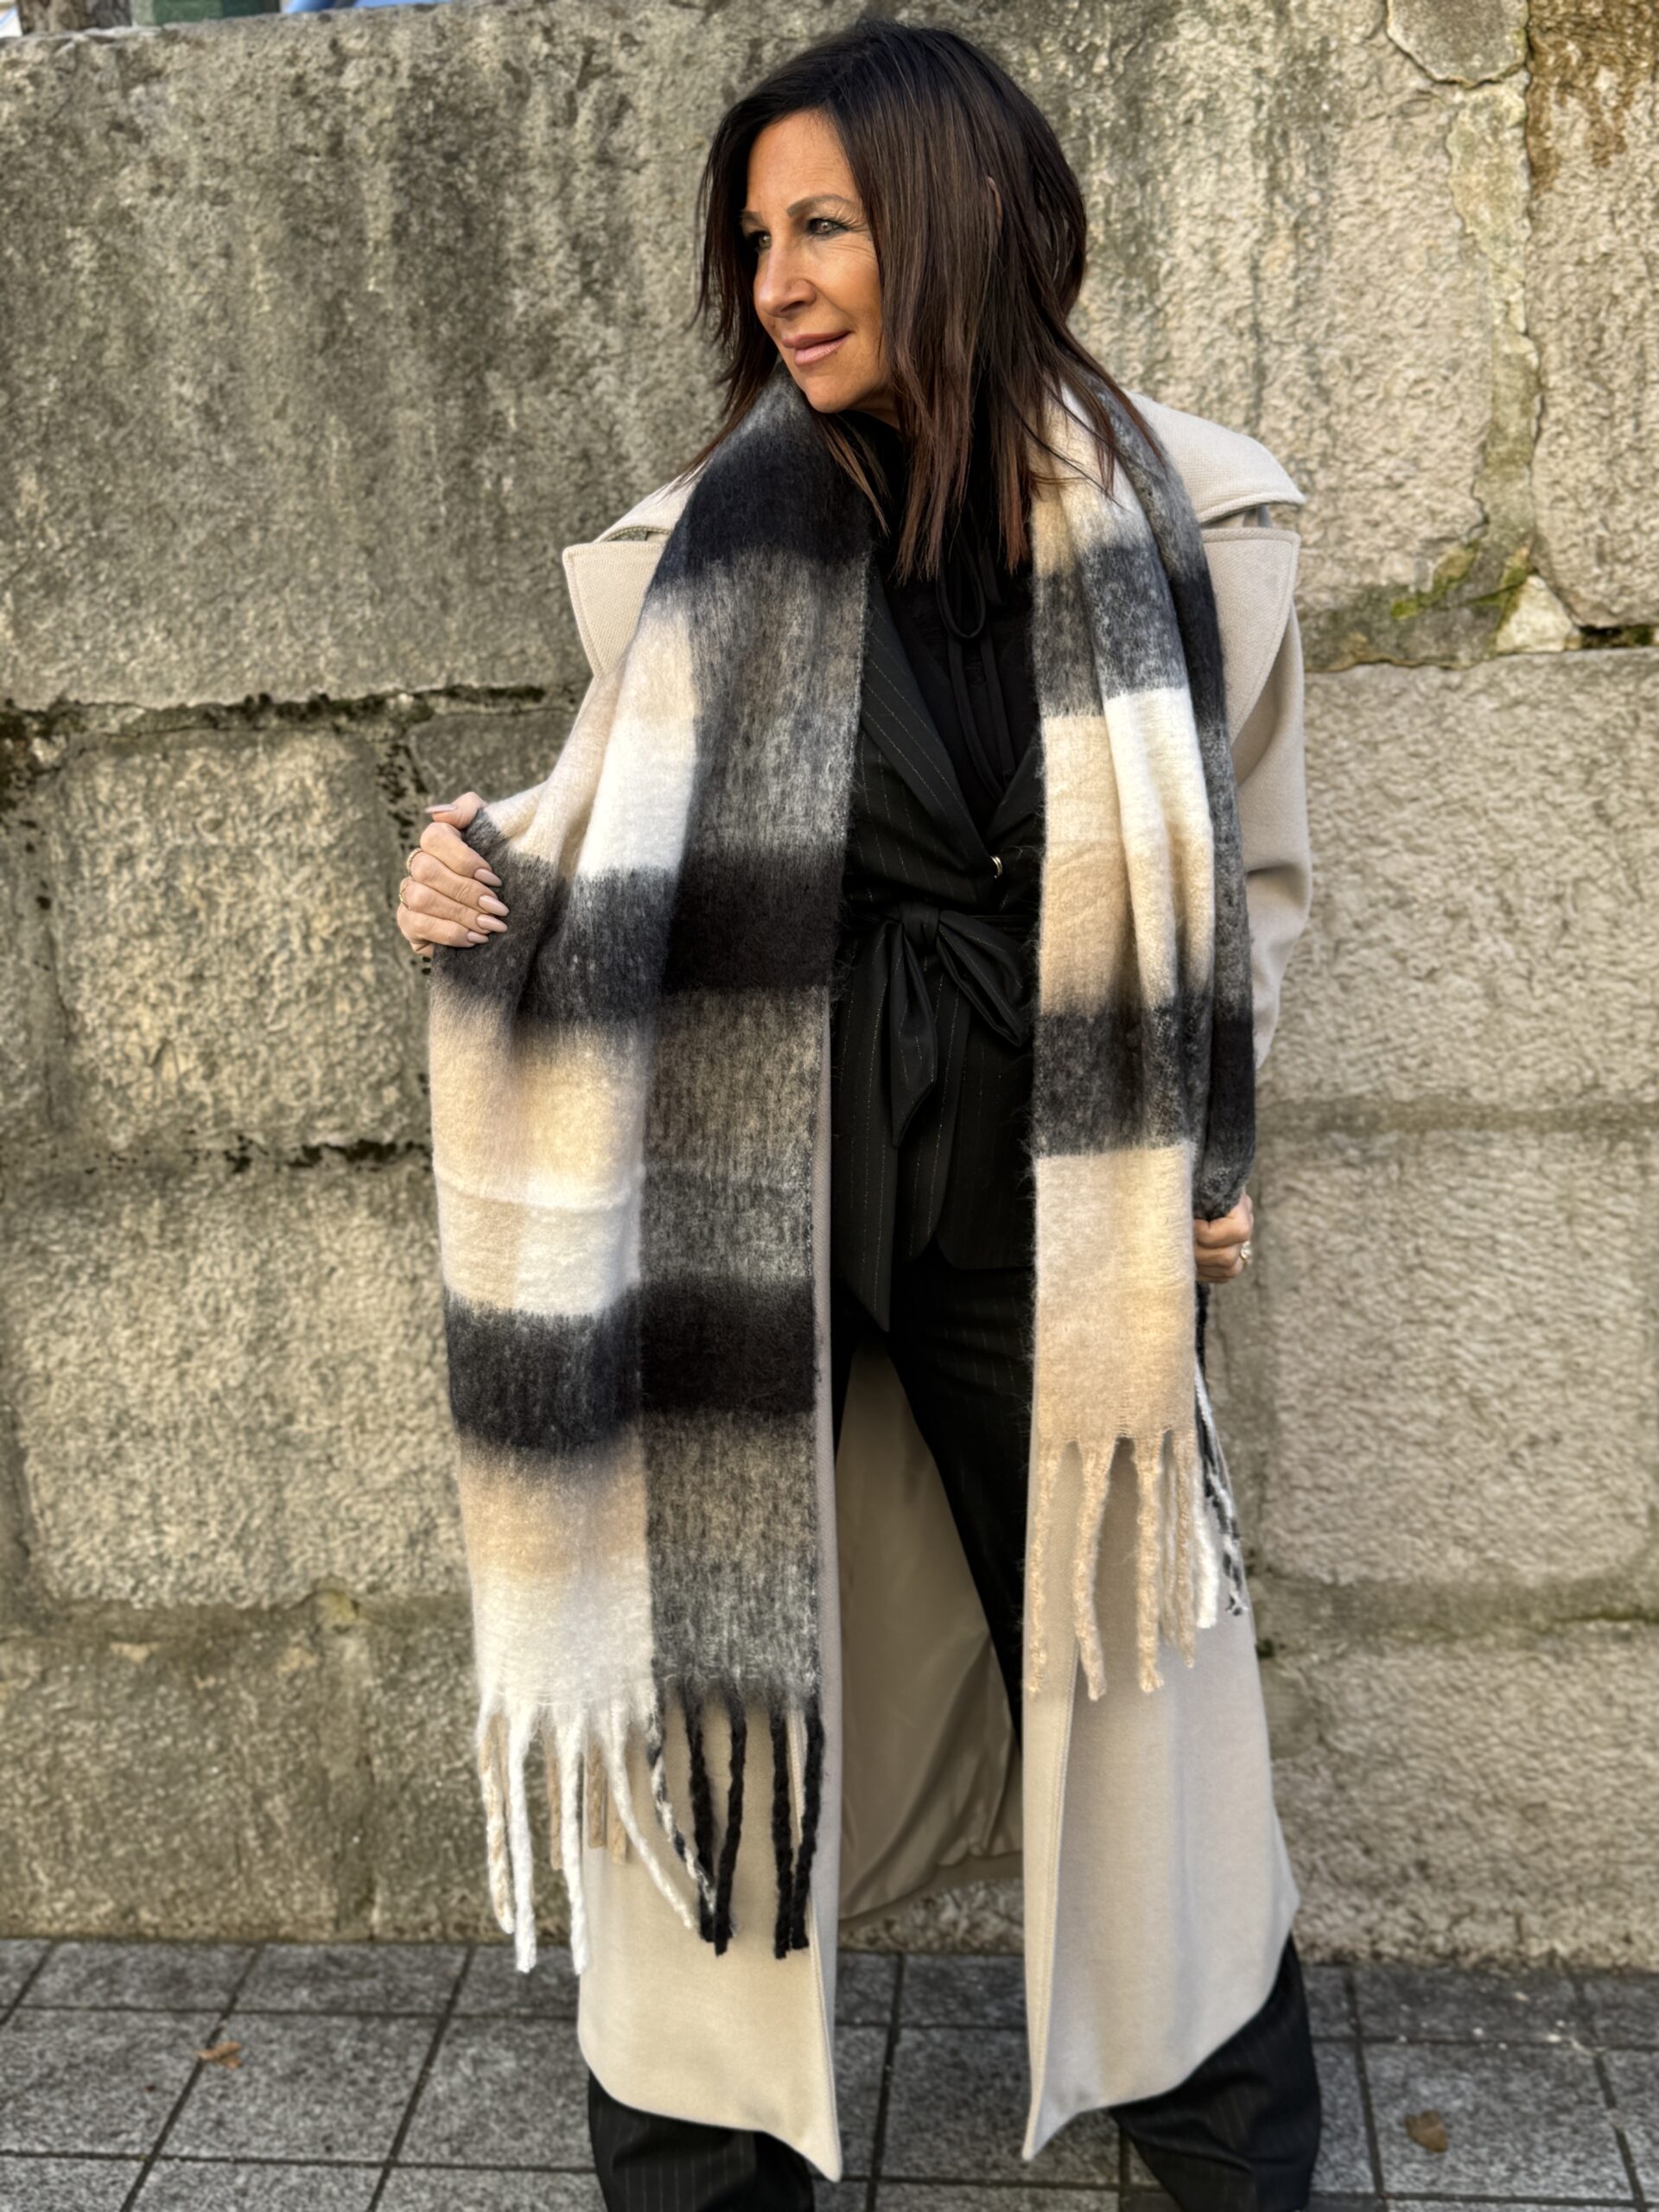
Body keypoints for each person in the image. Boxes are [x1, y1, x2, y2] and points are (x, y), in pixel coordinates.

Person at [397, 22, 1319, 2211]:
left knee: (1145, 1650)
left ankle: (1225, 2140)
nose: (781, 282)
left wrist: (1205, 1140)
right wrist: (470, 884)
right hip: (764, 1169)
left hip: (1058, 1178)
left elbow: (1249, 878)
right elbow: (607, 844)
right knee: (702, 1624)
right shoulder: (712, 542)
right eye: (758, 240)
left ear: (961, 214)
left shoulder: (1187, 516)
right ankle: (698, 2163)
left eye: (826, 225)